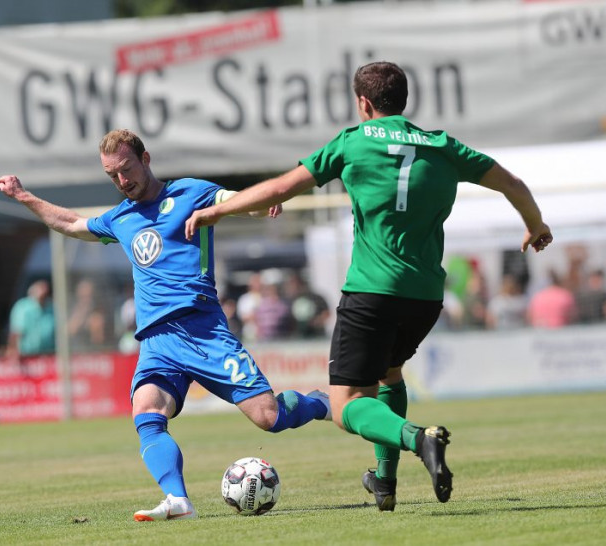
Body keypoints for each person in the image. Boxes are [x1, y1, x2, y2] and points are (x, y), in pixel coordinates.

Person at [185, 61, 553, 512]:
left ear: (363, 103)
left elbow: (283, 186)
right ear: (403, 100)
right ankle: (384, 481)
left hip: (372, 292)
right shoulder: (443, 146)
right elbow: (512, 183)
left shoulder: (353, 142)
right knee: (389, 373)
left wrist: (217, 212)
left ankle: (420, 439)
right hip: (424, 297)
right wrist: (535, 226)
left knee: (345, 405)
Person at [0, 128, 331, 521]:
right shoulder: (121, 218)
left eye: (126, 169)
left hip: (202, 329)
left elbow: (236, 202)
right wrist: (23, 196)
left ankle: (322, 403)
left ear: (146, 159)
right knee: (146, 410)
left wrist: (262, 206)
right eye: (112, 176)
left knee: (268, 417)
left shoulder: (190, 193)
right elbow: (71, 224)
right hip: (157, 339)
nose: (122, 181)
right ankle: (178, 500)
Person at [7, 279, 56, 357]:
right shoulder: (23, 308)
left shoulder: (52, 308)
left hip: (49, 354)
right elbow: (16, 332)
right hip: (27, 355)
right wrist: (13, 350)